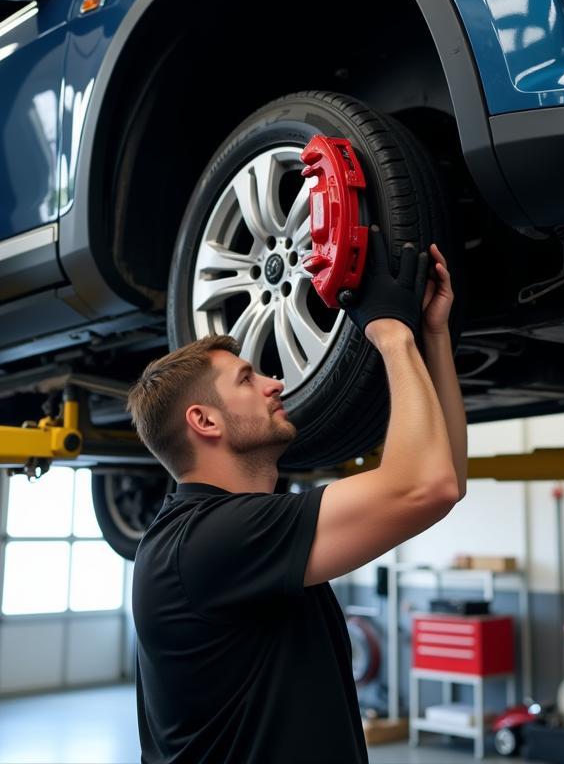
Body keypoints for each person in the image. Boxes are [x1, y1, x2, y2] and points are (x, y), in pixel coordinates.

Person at [127, 226, 467, 764]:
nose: (275, 383)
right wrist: (388, 333)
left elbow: (440, 476)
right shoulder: (206, 541)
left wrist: (431, 336)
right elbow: (428, 486)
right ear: (204, 420)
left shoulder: (216, 532)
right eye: (246, 379)